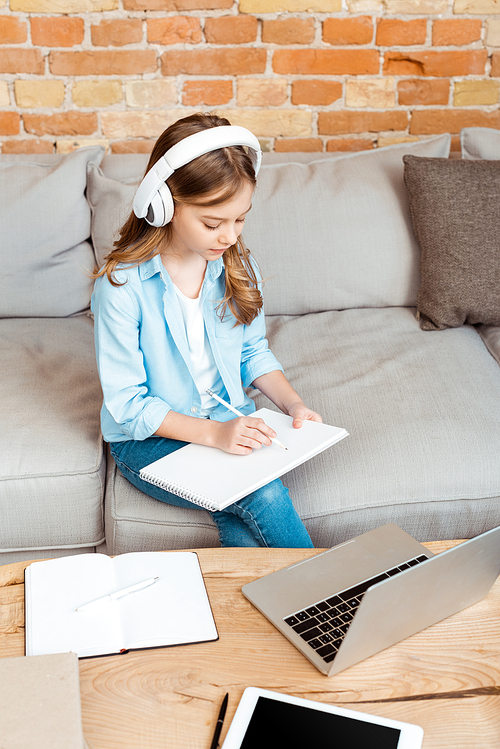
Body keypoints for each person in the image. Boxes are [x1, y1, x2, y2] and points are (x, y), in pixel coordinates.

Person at [91, 112, 322, 548]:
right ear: (163, 205)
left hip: (228, 418)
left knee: (242, 515)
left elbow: (252, 353)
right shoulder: (122, 287)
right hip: (146, 442)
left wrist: (294, 405)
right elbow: (128, 405)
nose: (229, 237)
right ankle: (328, 601)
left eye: (240, 220)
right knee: (264, 493)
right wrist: (215, 435)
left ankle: (271, 611)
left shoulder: (237, 265)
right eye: (213, 224)